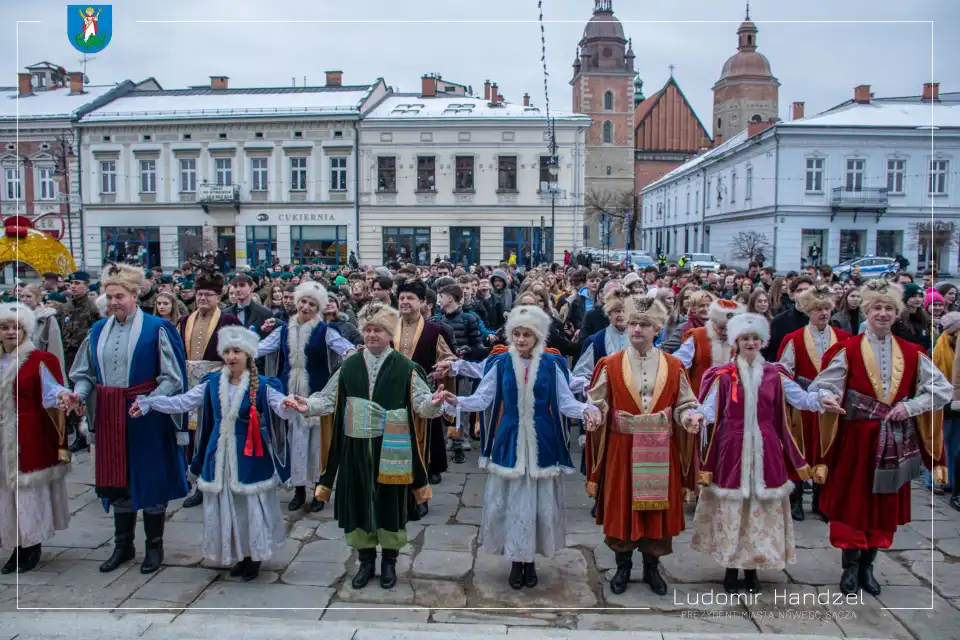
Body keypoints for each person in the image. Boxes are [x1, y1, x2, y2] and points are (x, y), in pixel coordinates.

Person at [285, 302, 447, 590]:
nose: (372, 335)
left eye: (378, 330)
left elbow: (422, 405)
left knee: (390, 505)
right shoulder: (348, 366)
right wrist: (307, 405)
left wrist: (433, 403)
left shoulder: (407, 368)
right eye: (368, 330)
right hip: (356, 450)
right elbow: (328, 399)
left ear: (390, 334)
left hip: (392, 448)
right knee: (359, 504)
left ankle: (389, 563)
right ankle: (366, 561)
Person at [441, 305, 601, 589]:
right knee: (513, 501)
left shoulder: (552, 364)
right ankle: (517, 560)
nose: (521, 339)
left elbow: (565, 402)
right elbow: (483, 398)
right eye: (517, 334)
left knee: (538, 503)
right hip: (509, 438)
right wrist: (457, 402)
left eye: (527, 334)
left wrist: (587, 409)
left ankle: (531, 560)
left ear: (538, 336)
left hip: (543, 441)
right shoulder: (501, 363)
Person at [809, 280, 952, 595]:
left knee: (883, 502)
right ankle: (850, 567)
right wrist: (826, 397)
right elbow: (822, 386)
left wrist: (910, 407)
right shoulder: (847, 350)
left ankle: (868, 566)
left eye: (889, 308)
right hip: (855, 440)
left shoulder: (912, 353)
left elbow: (942, 390)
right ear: (867, 311)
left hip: (895, 439)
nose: (883, 313)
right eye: (877, 308)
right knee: (852, 501)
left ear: (897, 313)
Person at [693, 312, 844, 593]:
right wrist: (696, 416)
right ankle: (731, 567)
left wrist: (823, 399)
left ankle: (752, 570)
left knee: (760, 509)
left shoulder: (775, 375)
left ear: (762, 341)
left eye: (755, 338)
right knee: (734, 507)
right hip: (732, 449)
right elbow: (709, 409)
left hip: (766, 449)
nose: (750, 343)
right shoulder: (724, 376)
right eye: (744, 338)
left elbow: (802, 398)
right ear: (736, 342)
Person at [130, 326, 296, 581]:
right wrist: (150, 403)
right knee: (227, 505)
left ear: (248, 355)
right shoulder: (212, 383)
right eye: (227, 351)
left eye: (237, 351)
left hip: (249, 457)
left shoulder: (263, 385)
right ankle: (240, 554)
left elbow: (280, 407)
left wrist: (289, 404)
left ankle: (254, 556)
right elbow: (183, 402)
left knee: (250, 506)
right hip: (218, 455)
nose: (231, 356)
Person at [63, 263, 189, 575]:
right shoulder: (97, 330)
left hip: (147, 415)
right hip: (110, 413)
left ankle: (154, 546)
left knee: (150, 475)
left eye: (119, 296)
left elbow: (172, 377)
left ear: (134, 295)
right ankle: (123, 545)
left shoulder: (157, 328)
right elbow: (85, 374)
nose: (113, 302)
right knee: (116, 478)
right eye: (109, 297)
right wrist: (79, 395)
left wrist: (150, 401)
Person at [585, 295, 704, 595]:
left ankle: (652, 567)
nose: (637, 329)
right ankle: (623, 567)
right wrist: (594, 414)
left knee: (656, 512)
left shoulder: (674, 365)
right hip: (622, 449)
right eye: (633, 323)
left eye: (644, 324)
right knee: (622, 508)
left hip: (660, 448)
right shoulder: (610, 364)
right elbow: (597, 401)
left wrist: (689, 417)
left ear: (657, 330)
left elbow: (685, 403)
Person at [258, 282, 356, 513]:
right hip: (290, 393)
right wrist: (239, 348)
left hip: (315, 395)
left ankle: (320, 491)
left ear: (318, 308)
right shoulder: (283, 330)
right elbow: (260, 348)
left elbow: (345, 348)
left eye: (312, 304)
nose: (306, 307)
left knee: (317, 445)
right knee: (294, 442)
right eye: (303, 301)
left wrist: (353, 353)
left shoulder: (325, 331)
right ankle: (299, 490)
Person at [0, 303, 72, 574]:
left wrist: (64, 396)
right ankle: (14, 544)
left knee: (29, 491)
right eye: (5, 327)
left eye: (16, 327)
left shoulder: (40, 359)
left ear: (26, 330)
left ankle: (32, 545)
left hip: (29, 434)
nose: (11, 332)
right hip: (2, 435)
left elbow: (53, 393)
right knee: (6, 493)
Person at [777, 284, 852, 520]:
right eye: (818, 309)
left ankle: (822, 500)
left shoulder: (844, 339)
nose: (824, 313)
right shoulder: (794, 339)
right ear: (808, 311)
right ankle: (796, 499)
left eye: (827, 308)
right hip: (803, 404)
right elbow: (783, 372)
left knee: (828, 449)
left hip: (834, 403)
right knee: (800, 448)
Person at [176, 271, 242, 509]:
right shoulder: (185, 321)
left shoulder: (229, 321)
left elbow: (241, 353)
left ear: (218, 297)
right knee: (190, 435)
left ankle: (213, 480)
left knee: (211, 435)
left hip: (217, 383)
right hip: (188, 384)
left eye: (208, 295)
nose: (202, 298)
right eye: (199, 294)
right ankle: (192, 480)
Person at [393, 279, 456, 489]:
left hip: (424, 388)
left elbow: (449, 357)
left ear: (422, 302)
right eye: (401, 297)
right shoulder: (390, 327)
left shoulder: (434, 330)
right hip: (394, 389)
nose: (404, 301)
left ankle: (432, 467)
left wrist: (443, 367)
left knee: (429, 428)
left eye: (410, 298)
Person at [673, 299, 743, 398]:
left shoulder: (740, 342)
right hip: (697, 398)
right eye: (721, 328)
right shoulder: (698, 336)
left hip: (725, 399)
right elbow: (678, 364)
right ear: (713, 322)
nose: (725, 332)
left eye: (729, 329)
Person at [60, 271, 98, 453]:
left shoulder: (92, 307)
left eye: (77, 283)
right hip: (69, 355)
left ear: (86, 285)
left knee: (86, 395)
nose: (73, 287)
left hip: (85, 355)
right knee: (72, 392)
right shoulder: (66, 308)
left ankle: (88, 432)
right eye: (71, 284)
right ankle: (78, 434)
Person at [19, 284, 65, 380]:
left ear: (38, 299)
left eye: (28, 296)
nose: (24, 299)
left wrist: (55, 375)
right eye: (22, 296)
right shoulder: (16, 318)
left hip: (41, 370)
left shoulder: (47, 318)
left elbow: (55, 349)